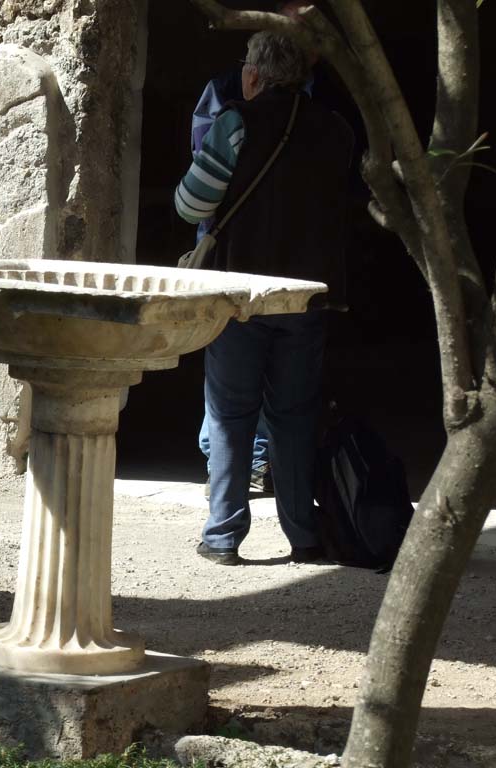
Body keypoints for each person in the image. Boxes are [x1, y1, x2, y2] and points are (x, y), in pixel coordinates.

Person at [174, 30, 353, 565]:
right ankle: (304, 535)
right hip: (306, 296)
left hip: (241, 294)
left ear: (254, 75)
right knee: (295, 415)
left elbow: (191, 204)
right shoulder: (337, 130)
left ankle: (223, 536)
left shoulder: (236, 121)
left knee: (231, 413)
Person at [192, 0, 317, 497]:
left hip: (283, 251)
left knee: (238, 375)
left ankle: (235, 488)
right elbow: (204, 178)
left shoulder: (318, 103)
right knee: (238, 381)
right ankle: (235, 466)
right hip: (239, 251)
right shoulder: (226, 92)